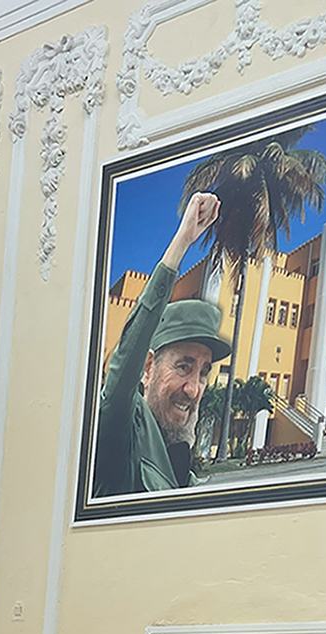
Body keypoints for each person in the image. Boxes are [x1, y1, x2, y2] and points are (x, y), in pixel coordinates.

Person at [91, 192, 232, 497]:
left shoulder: (184, 468)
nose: (194, 389)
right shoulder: (122, 432)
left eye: (204, 372)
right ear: (148, 367)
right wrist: (182, 242)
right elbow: (126, 359)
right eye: (184, 366)